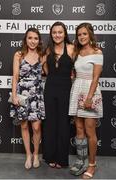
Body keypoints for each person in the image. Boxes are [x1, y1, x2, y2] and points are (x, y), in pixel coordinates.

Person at [69, 23, 103, 179]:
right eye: (79, 35)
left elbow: (96, 77)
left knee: (90, 131)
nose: (81, 37)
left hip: (90, 91)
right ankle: (81, 161)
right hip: (77, 89)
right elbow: (76, 73)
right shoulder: (78, 52)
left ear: (90, 35)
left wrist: (89, 97)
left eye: (84, 34)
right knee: (79, 129)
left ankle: (91, 164)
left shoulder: (97, 52)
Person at [10, 28, 45, 169]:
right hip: (22, 94)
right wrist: (14, 95)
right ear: (26, 39)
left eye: (36, 38)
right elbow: (15, 77)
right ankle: (28, 155)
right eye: (30, 38)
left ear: (39, 40)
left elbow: (48, 72)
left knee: (36, 127)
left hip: (37, 94)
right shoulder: (19, 55)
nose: (33, 41)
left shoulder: (42, 55)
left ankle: (36, 154)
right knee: (24, 125)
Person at [42, 21, 74, 168]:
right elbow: (46, 70)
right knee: (50, 124)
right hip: (50, 89)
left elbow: (76, 69)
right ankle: (50, 157)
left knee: (63, 124)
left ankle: (61, 159)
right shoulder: (48, 49)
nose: (57, 35)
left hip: (66, 89)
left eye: (60, 32)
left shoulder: (72, 48)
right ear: (51, 34)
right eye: (54, 32)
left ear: (65, 33)